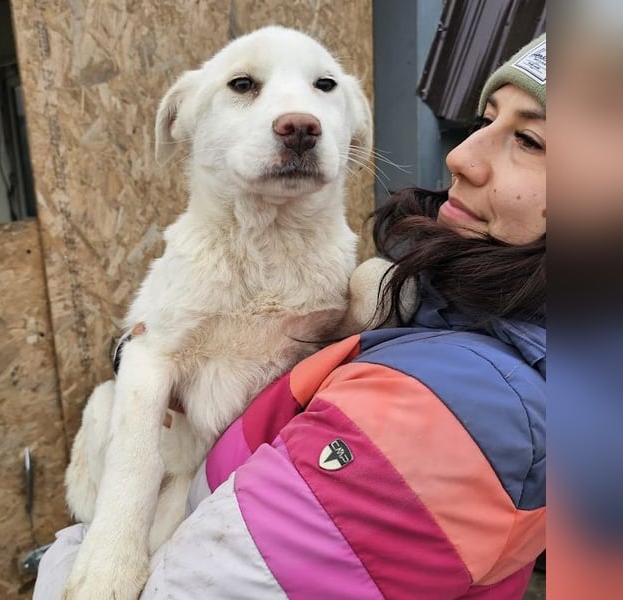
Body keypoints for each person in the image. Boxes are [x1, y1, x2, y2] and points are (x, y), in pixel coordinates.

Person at [34, 34, 546, 599]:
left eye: (529, 139)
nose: (296, 119)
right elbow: (152, 357)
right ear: (182, 123)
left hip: (220, 512)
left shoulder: (476, 397)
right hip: (172, 481)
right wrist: (115, 536)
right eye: (244, 86)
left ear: (354, 130)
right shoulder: (442, 283)